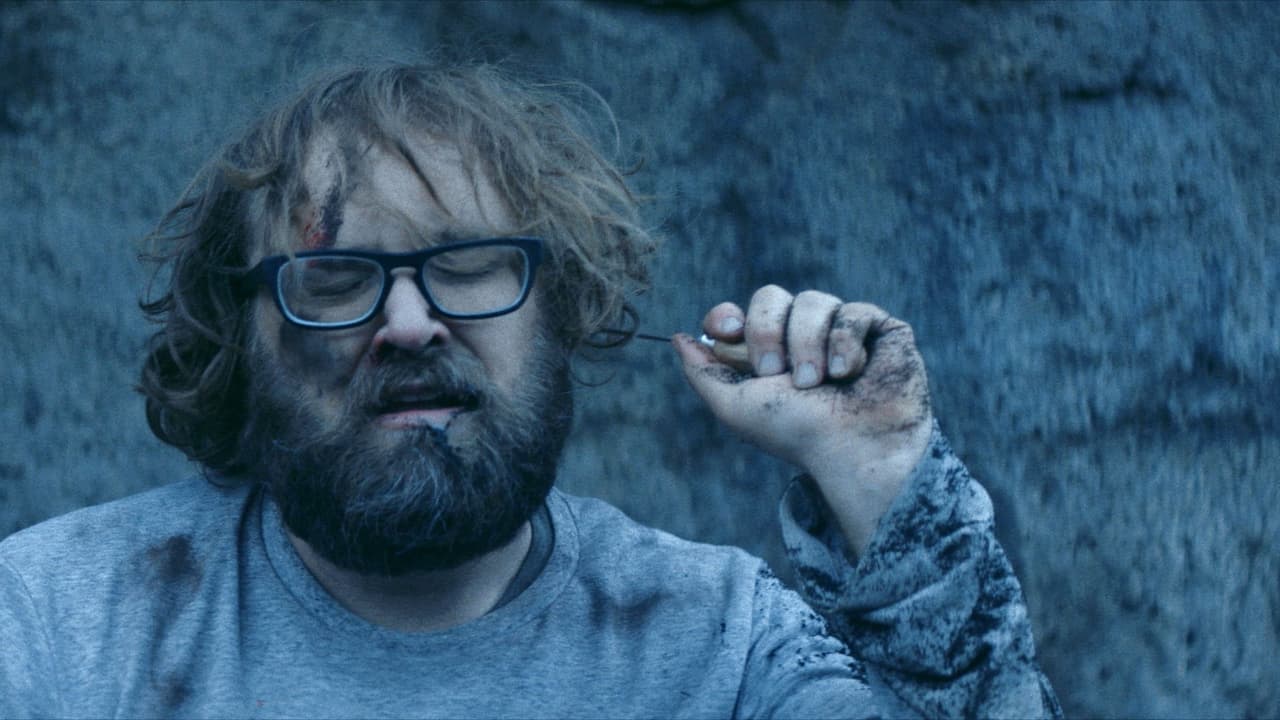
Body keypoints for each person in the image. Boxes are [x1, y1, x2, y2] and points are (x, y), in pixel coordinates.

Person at [0, 62, 1059, 718]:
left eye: (467, 264)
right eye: (336, 277)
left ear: (559, 307)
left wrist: (882, 482)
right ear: (245, 337)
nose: (408, 323)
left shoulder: (718, 648)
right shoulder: (56, 623)